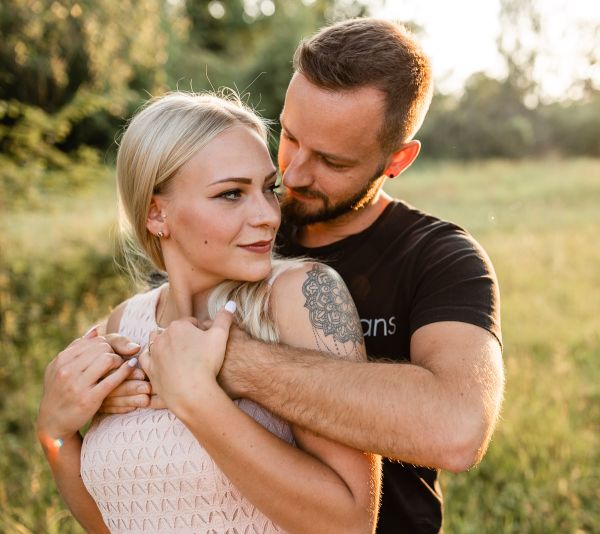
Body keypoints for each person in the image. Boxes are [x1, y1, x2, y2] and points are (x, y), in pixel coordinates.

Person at [91, 17, 501, 533]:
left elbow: (457, 429)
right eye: (290, 135)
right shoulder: (235, 235)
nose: (295, 174)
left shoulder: (438, 257)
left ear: (397, 159)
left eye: (331, 159)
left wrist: (235, 363)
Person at [36, 92, 380, 533]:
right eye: (232, 194)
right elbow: (118, 523)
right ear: (157, 213)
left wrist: (196, 400)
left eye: (268, 189)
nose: (267, 216)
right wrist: (54, 433)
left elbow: (351, 523)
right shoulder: (124, 324)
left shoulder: (301, 295)